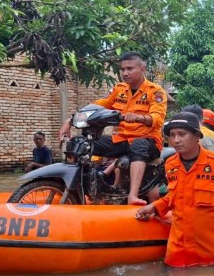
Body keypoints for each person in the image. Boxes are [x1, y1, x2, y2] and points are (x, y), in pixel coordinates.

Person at [135, 112, 214, 267]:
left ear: (197, 136)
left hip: (210, 254)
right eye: (172, 135)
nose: (176, 140)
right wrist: (154, 207)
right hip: (177, 254)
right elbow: (174, 196)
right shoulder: (170, 165)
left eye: (182, 134)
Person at [59, 52, 167, 205]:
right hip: (121, 140)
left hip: (148, 141)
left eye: (130, 69)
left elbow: (157, 119)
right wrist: (69, 120)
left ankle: (133, 196)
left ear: (142, 69)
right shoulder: (119, 89)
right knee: (81, 142)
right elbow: (97, 106)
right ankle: (80, 188)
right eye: (122, 69)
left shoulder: (155, 91)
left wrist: (138, 117)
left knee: (138, 145)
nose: (125, 73)